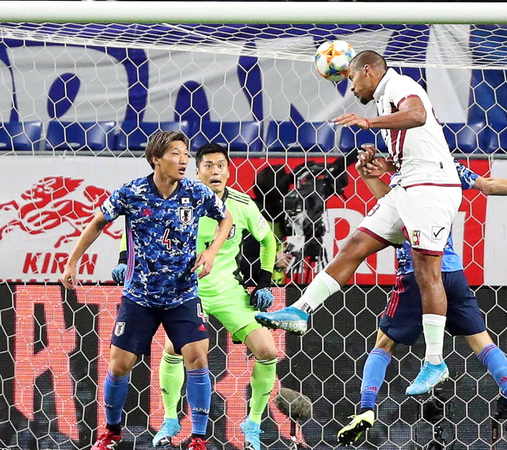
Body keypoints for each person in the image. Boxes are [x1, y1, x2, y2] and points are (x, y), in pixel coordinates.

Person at [257, 50, 463, 396]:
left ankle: (435, 362)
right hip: (408, 185)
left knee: (426, 271)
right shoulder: (384, 101)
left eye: (351, 78)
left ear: (368, 70)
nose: (350, 88)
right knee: (355, 244)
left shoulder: (400, 84)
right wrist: (380, 162)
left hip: (432, 189)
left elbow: (417, 114)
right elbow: (416, 144)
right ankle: (301, 310)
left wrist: (369, 124)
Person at [336, 149, 507, 450]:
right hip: (453, 272)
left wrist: (372, 178)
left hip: (419, 273)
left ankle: (366, 408)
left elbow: (392, 210)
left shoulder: (408, 173)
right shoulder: (449, 168)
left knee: (384, 344)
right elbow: (489, 185)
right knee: (483, 342)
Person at [61, 131, 233, 450]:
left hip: (182, 294)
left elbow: (226, 219)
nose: (184, 160)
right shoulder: (133, 192)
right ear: (156, 159)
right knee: (119, 364)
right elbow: (98, 222)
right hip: (139, 296)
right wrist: (73, 261)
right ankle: (111, 432)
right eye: (176, 154)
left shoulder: (195, 193)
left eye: (185, 154)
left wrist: (210, 252)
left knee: (197, 358)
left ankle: (197, 437)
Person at [112, 143, 279, 450]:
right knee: (176, 349)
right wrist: (125, 258)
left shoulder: (242, 204)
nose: (215, 171)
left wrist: (264, 283)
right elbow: (135, 224)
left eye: (221, 166)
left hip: (229, 292)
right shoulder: (179, 197)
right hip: (187, 290)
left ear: (229, 171)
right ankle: (171, 419)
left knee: (268, 351)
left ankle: (252, 423)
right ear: (197, 170)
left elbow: (268, 240)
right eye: (208, 166)